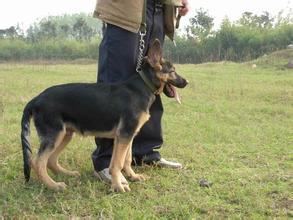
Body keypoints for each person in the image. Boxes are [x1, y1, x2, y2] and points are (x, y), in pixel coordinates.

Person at [92, 0, 189, 184]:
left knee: (153, 82)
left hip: (160, 8)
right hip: (124, 11)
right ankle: (106, 161)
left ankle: (145, 152)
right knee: (115, 85)